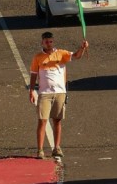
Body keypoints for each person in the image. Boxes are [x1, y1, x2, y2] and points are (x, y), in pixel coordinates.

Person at [28, 31, 88, 159]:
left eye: (50, 41)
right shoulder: (38, 57)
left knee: (57, 121)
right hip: (44, 93)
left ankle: (57, 147)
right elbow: (33, 74)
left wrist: (82, 48)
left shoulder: (61, 54)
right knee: (42, 121)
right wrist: (32, 90)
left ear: (53, 42)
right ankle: (40, 150)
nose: (49, 44)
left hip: (60, 92)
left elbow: (76, 56)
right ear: (42, 42)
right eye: (46, 42)